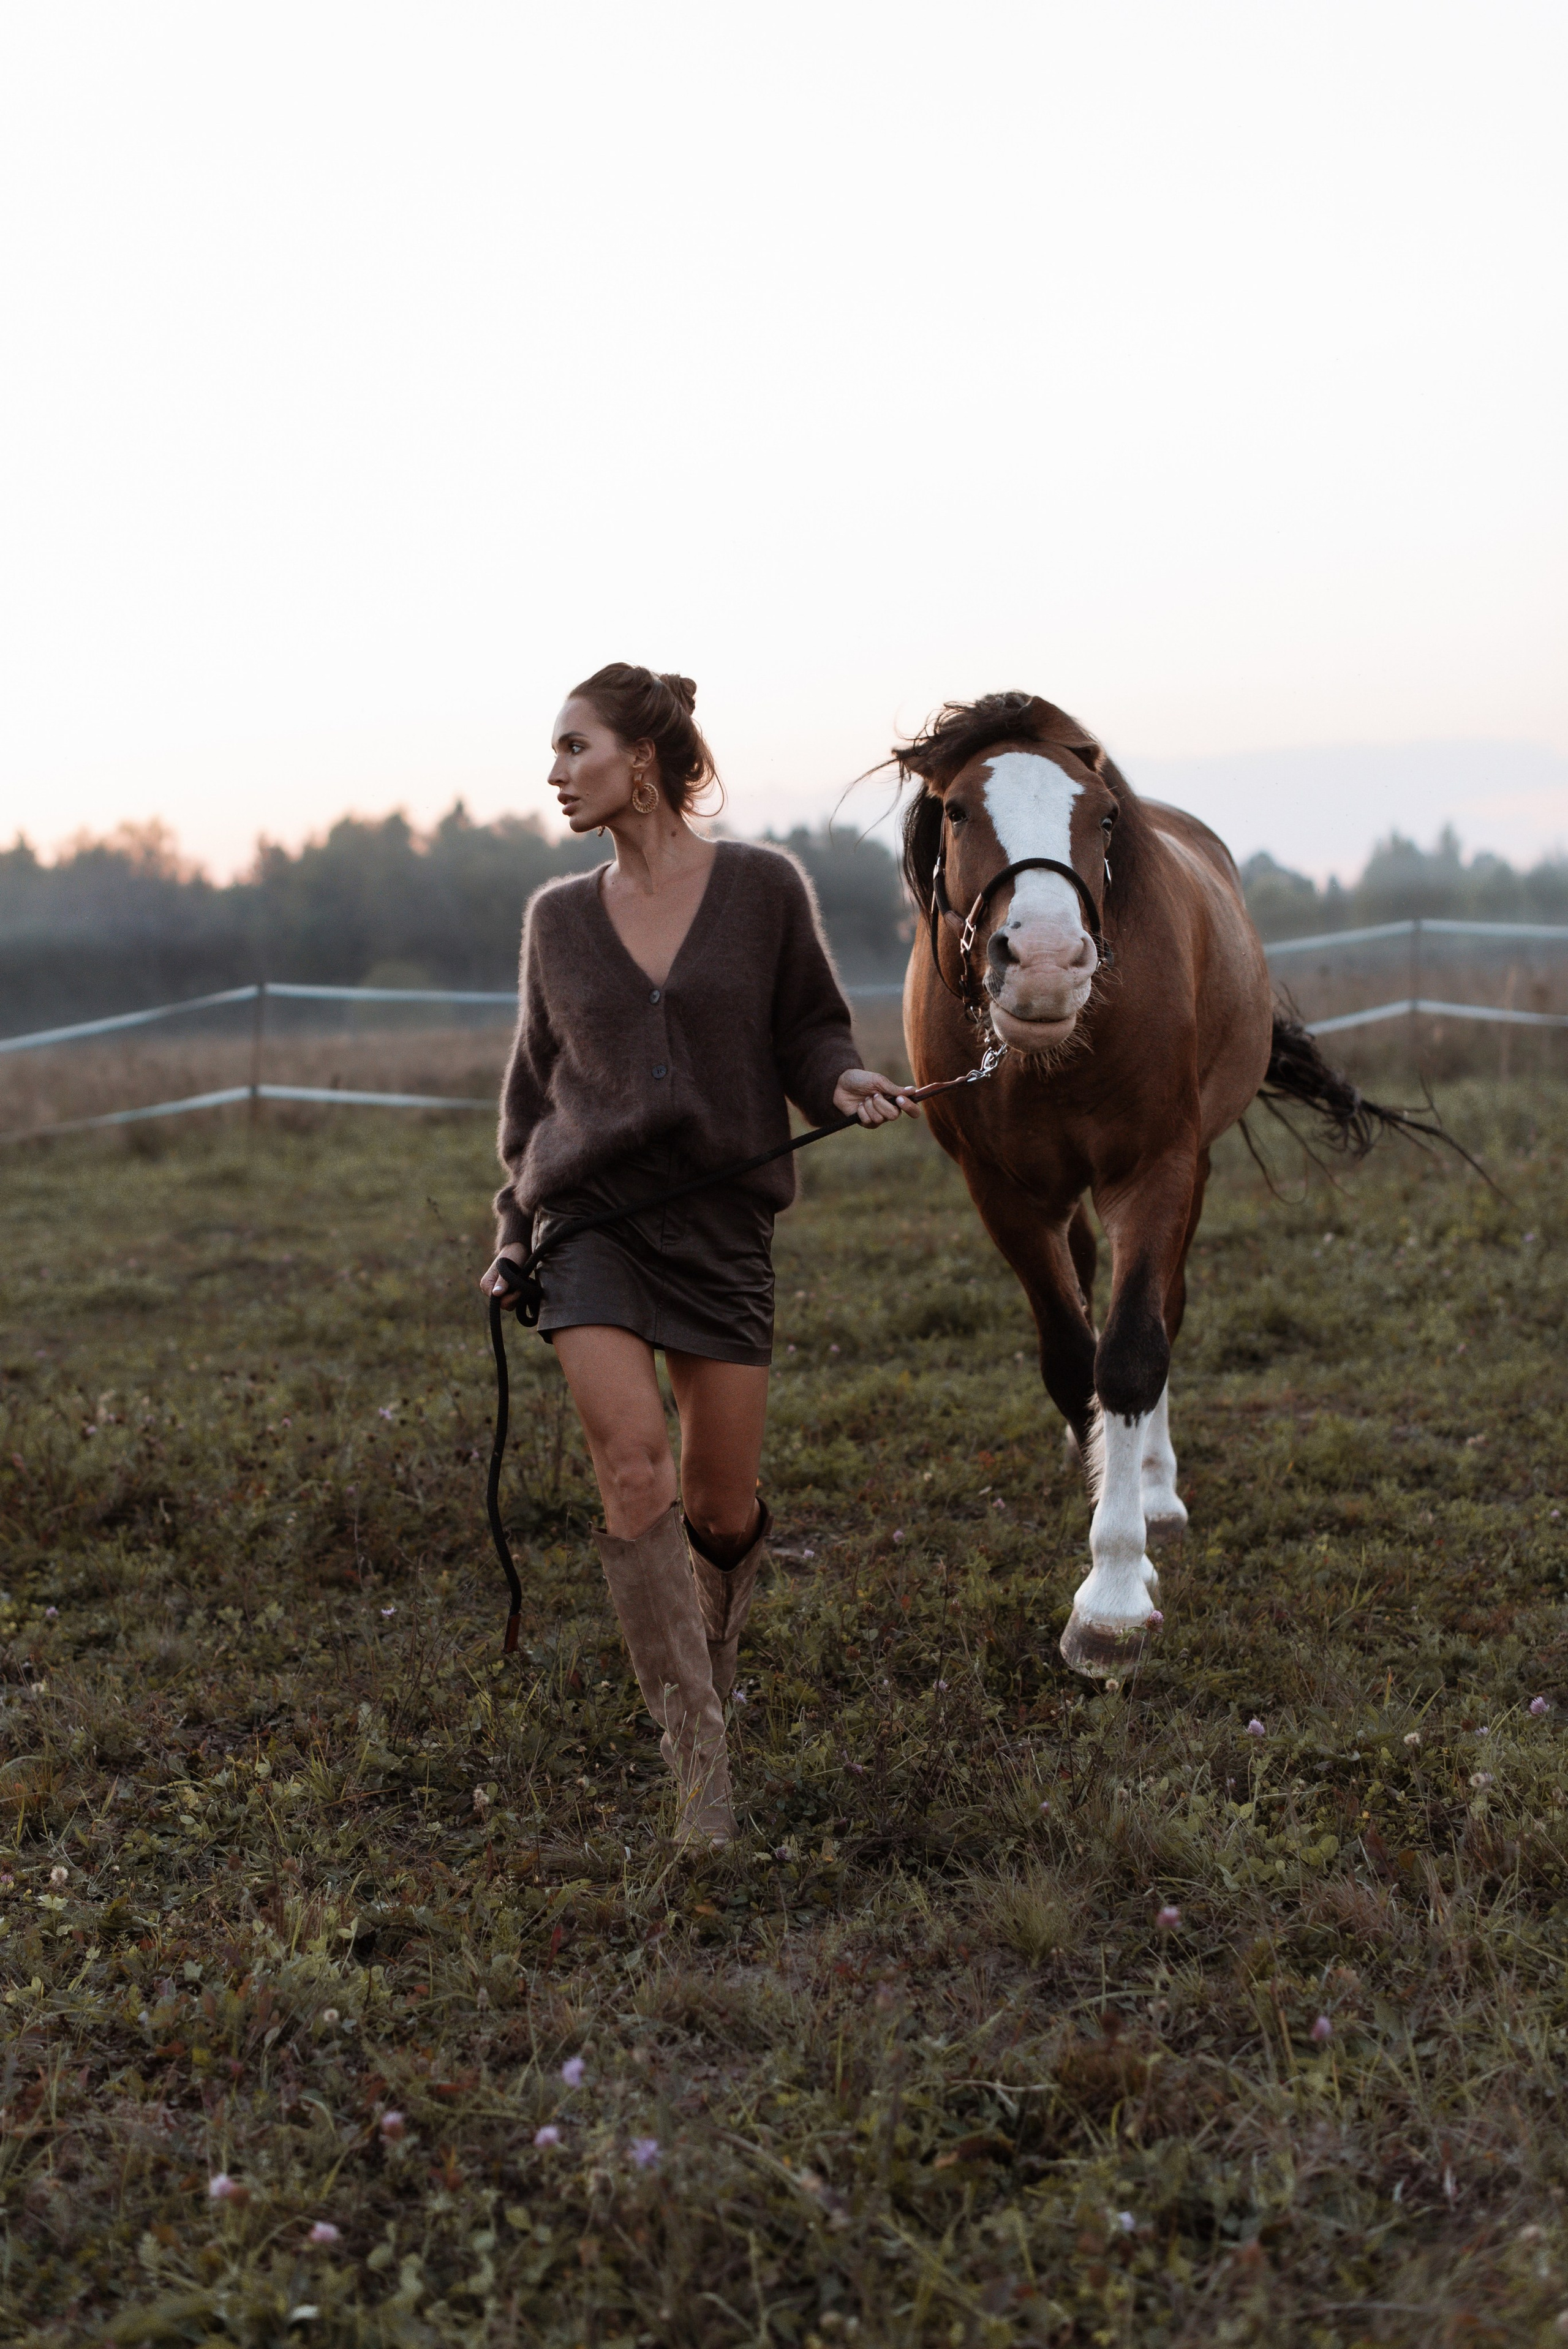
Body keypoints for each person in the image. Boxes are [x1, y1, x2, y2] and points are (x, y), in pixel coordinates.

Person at [481, 663, 916, 1847]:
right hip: (591, 1226)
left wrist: (840, 1078)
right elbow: (534, 1098)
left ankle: (709, 1672)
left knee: (721, 1511)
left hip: (723, 1229)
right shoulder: (556, 921)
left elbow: (809, 1028)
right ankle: (698, 1768)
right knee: (636, 1475)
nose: (557, 772)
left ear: (647, 758)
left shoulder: (765, 889)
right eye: (557, 752)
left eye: (576, 747)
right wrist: (515, 1234)